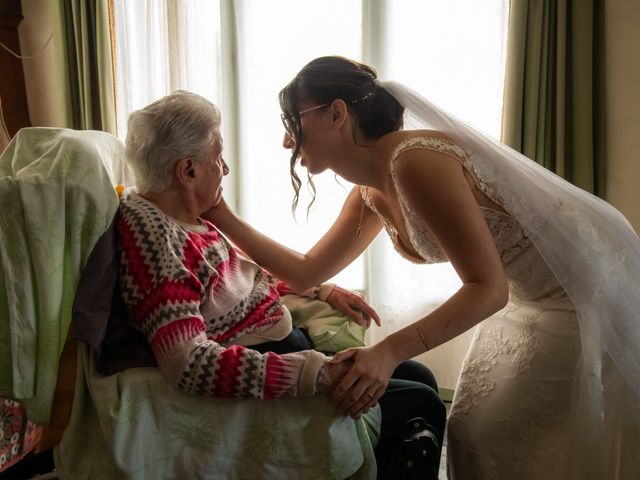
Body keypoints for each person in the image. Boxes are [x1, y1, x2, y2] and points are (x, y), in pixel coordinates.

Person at [203, 56, 640, 480]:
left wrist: (388, 351)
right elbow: (305, 271)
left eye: (291, 123)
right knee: (471, 431)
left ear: (337, 114)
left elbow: (488, 289)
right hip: (528, 298)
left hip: (579, 295)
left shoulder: (416, 161)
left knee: (493, 436)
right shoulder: (370, 192)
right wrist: (218, 211)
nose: (286, 141)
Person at [118, 90, 446, 479]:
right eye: (217, 160)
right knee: (420, 403)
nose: (224, 170)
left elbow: (237, 284)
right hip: (277, 361)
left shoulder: (189, 220)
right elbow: (187, 362)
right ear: (187, 172)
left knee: (421, 377)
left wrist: (319, 291)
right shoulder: (157, 240)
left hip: (289, 341)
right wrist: (314, 374)